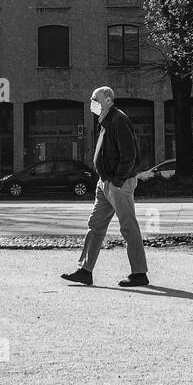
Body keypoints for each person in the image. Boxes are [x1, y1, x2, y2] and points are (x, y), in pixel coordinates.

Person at [62, 86, 149, 287]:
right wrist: (104, 181)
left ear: (108, 100)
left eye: (96, 99)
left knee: (128, 227)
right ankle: (85, 270)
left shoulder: (119, 120)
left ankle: (139, 273)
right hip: (105, 183)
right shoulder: (105, 121)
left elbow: (129, 155)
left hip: (118, 183)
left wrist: (117, 182)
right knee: (95, 226)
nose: (92, 102)